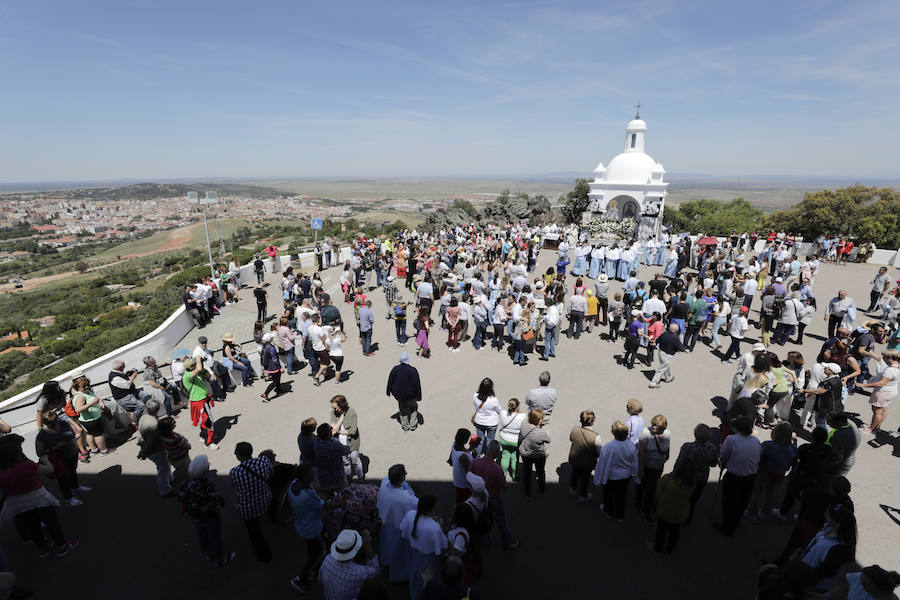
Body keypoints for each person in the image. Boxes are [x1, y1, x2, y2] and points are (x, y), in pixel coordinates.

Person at [0, 434, 79, 558]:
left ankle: (43, 549)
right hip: (38, 499)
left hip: (17, 504)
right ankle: (62, 546)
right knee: (51, 523)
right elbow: (49, 470)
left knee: (32, 527)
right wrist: (46, 459)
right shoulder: (25, 466)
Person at [179, 455, 235, 567]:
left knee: (201, 534)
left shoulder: (185, 483)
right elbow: (216, 500)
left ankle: (207, 552)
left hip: (194, 516)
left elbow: (180, 498)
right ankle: (219, 559)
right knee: (214, 537)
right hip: (209, 516)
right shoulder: (207, 484)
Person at [714, 417, 761, 538]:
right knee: (742, 502)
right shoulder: (755, 441)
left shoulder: (732, 439)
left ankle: (728, 527)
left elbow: (723, 455)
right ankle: (736, 521)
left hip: (735, 476)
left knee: (730, 502)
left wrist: (722, 463)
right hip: (751, 477)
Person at [287, 464, 329, 593]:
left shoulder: (294, 484)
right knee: (322, 551)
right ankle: (301, 578)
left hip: (301, 524)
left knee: (312, 550)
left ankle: (315, 570)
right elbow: (323, 506)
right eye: (312, 473)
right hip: (313, 528)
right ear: (306, 477)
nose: (315, 474)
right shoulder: (307, 494)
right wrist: (340, 503)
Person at [229, 441, 273, 563]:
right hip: (265, 499)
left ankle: (264, 555)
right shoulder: (263, 461)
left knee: (255, 532)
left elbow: (234, 486)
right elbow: (271, 473)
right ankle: (273, 518)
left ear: (239, 455)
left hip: (248, 508)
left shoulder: (235, 472)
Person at [471, 440, 519, 550]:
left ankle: (485, 539)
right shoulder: (496, 469)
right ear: (497, 452)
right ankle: (507, 541)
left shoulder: (476, 462)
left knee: (483, 517)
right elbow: (504, 486)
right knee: (501, 519)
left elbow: (469, 474)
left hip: (479, 496)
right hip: (493, 498)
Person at [746, 422, 798, 521]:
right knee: (772, 493)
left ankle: (752, 513)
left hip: (765, 471)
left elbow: (760, 458)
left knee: (758, 492)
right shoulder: (792, 448)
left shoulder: (768, 445)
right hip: (780, 473)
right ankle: (766, 513)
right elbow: (794, 460)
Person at [400, 494, 447, 600]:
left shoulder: (410, 514)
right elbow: (442, 545)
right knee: (427, 579)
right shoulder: (435, 528)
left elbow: (403, 529)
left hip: (413, 552)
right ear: (432, 508)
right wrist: (439, 526)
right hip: (428, 558)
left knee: (414, 575)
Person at [34, 409, 86, 506]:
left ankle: (75, 487)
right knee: (63, 478)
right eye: (51, 424)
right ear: (45, 423)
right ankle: (68, 498)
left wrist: (75, 437)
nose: (54, 425)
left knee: (72, 471)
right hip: (58, 459)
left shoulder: (63, 424)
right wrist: (56, 447)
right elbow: (40, 453)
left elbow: (72, 433)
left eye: (55, 422)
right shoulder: (42, 436)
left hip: (72, 452)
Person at [376, 465, 418, 583]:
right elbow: (417, 504)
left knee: (387, 548)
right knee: (399, 554)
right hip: (398, 528)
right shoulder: (406, 498)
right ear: (402, 478)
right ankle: (398, 576)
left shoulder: (384, 482)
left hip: (386, 524)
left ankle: (387, 563)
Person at [647, 458, 695, 557]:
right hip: (681, 513)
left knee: (662, 530)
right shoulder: (691, 484)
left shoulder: (668, 480)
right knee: (674, 531)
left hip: (665, 510)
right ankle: (670, 548)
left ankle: (657, 548)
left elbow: (659, 488)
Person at [593, 420, 640, 522]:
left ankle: (609, 511)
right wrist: (636, 474)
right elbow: (634, 462)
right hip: (625, 476)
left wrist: (598, 477)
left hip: (611, 476)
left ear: (613, 433)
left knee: (608, 494)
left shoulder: (608, 447)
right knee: (621, 495)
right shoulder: (631, 446)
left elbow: (602, 463)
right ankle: (620, 515)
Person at [673, 424, 719, 523]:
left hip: (685, 475)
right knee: (693, 499)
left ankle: (677, 514)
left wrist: (674, 474)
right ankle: (688, 517)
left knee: (682, 495)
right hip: (701, 478)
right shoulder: (712, 449)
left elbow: (679, 461)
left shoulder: (687, 447)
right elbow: (714, 464)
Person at [317, 529, 380, 600]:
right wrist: (368, 544)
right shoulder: (359, 572)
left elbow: (321, 580)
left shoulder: (327, 559)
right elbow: (375, 569)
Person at [635, 414, 672, 525]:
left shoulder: (667, 434)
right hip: (646, 465)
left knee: (651, 489)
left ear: (664, 428)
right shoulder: (645, 433)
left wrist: (667, 456)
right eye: (653, 425)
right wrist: (640, 468)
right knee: (642, 484)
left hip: (658, 467)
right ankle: (638, 502)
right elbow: (640, 452)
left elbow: (667, 446)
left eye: (658, 427)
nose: (654, 428)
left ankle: (646, 511)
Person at [137, 399, 174, 497]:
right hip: (156, 450)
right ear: (157, 409)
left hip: (147, 446)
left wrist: (142, 447)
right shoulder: (155, 424)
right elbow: (152, 442)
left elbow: (140, 433)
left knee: (166, 465)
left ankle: (170, 479)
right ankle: (165, 490)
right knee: (163, 469)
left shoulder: (143, 417)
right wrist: (144, 452)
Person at [858, 349, 900, 433]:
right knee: (883, 409)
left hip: (883, 392)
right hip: (891, 391)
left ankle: (871, 429)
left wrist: (863, 385)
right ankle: (876, 427)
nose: (883, 359)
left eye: (884, 357)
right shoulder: (898, 366)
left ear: (890, 358)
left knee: (877, 411)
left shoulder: (890, 370)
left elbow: (881, 383)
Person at [70, 374, 109, 455]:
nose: (87, 387)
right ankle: (104, 450)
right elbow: (78, 409)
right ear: (78, 387)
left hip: (89, 419)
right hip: (91, 419)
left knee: (90, 433)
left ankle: (94, 450)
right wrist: (92, 403)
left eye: (88, 385)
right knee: (98, 434)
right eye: (84, 386)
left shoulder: (86, 392)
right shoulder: (80, 396)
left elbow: (95, 397)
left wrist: (100, 402)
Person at [568, 410, 602, 501]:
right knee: (585, 478)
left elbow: (571, 439)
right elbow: (599, 452)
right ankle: (583, 495)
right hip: (587, 462)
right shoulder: (596, 437)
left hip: (575, 458)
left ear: (581, 420)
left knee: (575, 473)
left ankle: (572, 487)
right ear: (593, 422)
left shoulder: (574, 429)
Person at [329, 395, 363, 481]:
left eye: (335, 408)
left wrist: (339, 431)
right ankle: (348, 478)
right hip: (340, 444)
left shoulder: (352, 412)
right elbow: (333, 430)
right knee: (345, 462)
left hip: (352, 442)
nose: (333, 410)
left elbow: (353, 430)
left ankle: (361, 477)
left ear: (341, 406)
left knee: (355, 460)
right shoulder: (333, 413)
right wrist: (340, 421)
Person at [386, 352, 422, 432]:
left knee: (403, 410)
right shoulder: (413, 370)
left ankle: (405, 426)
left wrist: (389, 391)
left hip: (400, 395)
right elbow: (417, 384)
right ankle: (413, 424)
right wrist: (418, 396)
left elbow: (390, 381)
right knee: (413, 408)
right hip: (411, 395)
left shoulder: (395, 369)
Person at [518, 409, 550, 497]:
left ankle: (528, 492)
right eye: (541, 419)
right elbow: (548, 440)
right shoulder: (540, 432)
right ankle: (542, 489)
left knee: (527, 472)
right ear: (536, 420)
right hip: (538, 455)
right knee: (540, 472)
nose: (542, 420)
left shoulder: (524, 423)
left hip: (525, 453)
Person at [314, 423, 351, 495]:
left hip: (323, 477)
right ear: (328, 435)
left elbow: (319, 438)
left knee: (326, 496)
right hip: (337, 478)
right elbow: (347, 450)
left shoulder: (316, 442)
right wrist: (334, 438)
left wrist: (331, 435)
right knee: (344, 495)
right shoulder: (335, 445)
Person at [471, 378, 502, 456]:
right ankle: (488, 458)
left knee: (479, 441)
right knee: (489, 441)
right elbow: (499, 411)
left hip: (479, 422)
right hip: (491, 423)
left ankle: (477, 457)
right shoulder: (493, 399)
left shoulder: (475, 396)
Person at [649, 323, 685, 388]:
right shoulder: (675, 337)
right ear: (676, 330)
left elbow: (658, 340)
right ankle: (654, 382)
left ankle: (667, 377)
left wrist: (655, 343)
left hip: (661, 352)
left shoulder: (664, 333)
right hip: (668, 354)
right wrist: (684, 350)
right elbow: (679, 346)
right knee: (662, 368)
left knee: (665, 365)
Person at [497, 398, 524, 481]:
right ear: (517, 406)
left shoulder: (503, 413)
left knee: (505, 456)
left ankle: (503, 475)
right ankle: (514, 475)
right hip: (516, 441)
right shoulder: (522, 416)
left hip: (504, 439)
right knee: (515, 458)